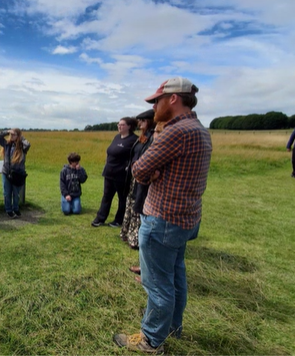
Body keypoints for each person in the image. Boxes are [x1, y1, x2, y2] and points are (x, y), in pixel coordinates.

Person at [114, 77, 212, 353]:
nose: (154, 107)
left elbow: (139, 169)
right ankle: (172, 329)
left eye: (156, 101)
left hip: (162, 219)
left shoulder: (174, 132)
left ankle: (151, 340)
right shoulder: (200, 129)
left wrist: (153, 172)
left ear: (173, 99)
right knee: (175, 276)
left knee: (157, 284)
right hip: (185, 218)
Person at [91, 117, 138, 228]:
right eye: (118, 124)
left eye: (122, 124)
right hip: (109, 172)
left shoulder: (134, 140)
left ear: (129, 126)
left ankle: (118, 220)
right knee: (106, 196)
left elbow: (135, 156)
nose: (119, 126)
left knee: (122, 198)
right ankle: (100, 219)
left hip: (121, 175)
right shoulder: (117, 137)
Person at [120, 109, 156, 250]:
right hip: (134, 176)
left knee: (138, 205)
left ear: (150, 122)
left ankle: (135, 239)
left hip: (143, 178)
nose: (140, 124)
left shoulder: (154, 137)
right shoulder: (142, 137)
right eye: (139, 121)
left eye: (143, 121)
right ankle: (127, 233)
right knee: (131, 202)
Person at [0, 128, 30, 218]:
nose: (11, 136)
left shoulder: (22, 147)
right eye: (11, 134)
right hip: (6, 172)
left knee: (16, 193)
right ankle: (8, 210)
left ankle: (16, 208)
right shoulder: (7, 144)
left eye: (14, 134)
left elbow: (28, 144)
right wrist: (6, 132)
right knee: (7, 193)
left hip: (18, 173)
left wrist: (21, 137)